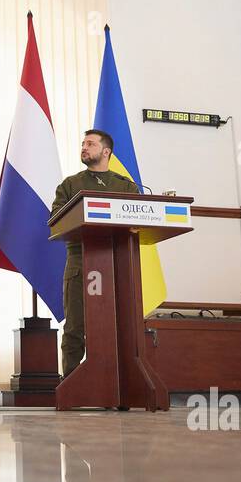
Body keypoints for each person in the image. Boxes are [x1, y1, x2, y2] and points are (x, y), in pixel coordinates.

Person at [49, 128, 138, 377]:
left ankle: (118, 385)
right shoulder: (71, 185)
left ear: (106, 151)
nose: (84, 148)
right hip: (80, 260)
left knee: (118, 327)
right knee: (75, 327)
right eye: (82, 144)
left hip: (117, 262)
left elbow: (137, 221)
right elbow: (56, 220)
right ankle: (71, 385)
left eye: (90, 144)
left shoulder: (126, 187)